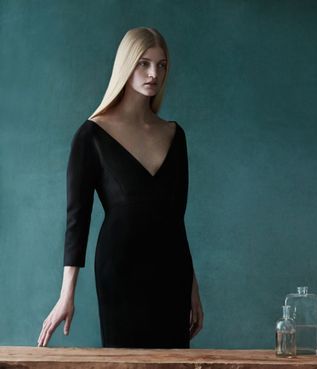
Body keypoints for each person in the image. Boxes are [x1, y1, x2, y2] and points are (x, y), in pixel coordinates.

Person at [37, 27, 203, 348]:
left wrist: (193, 288)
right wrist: (66, 295)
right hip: (120, 271)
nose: (154, 73)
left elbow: (175, 218)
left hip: (173, 272)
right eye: (144, 63)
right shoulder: (91, 135)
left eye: (161, 65)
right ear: (126, 64)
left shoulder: (174, 134)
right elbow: (77, 220)